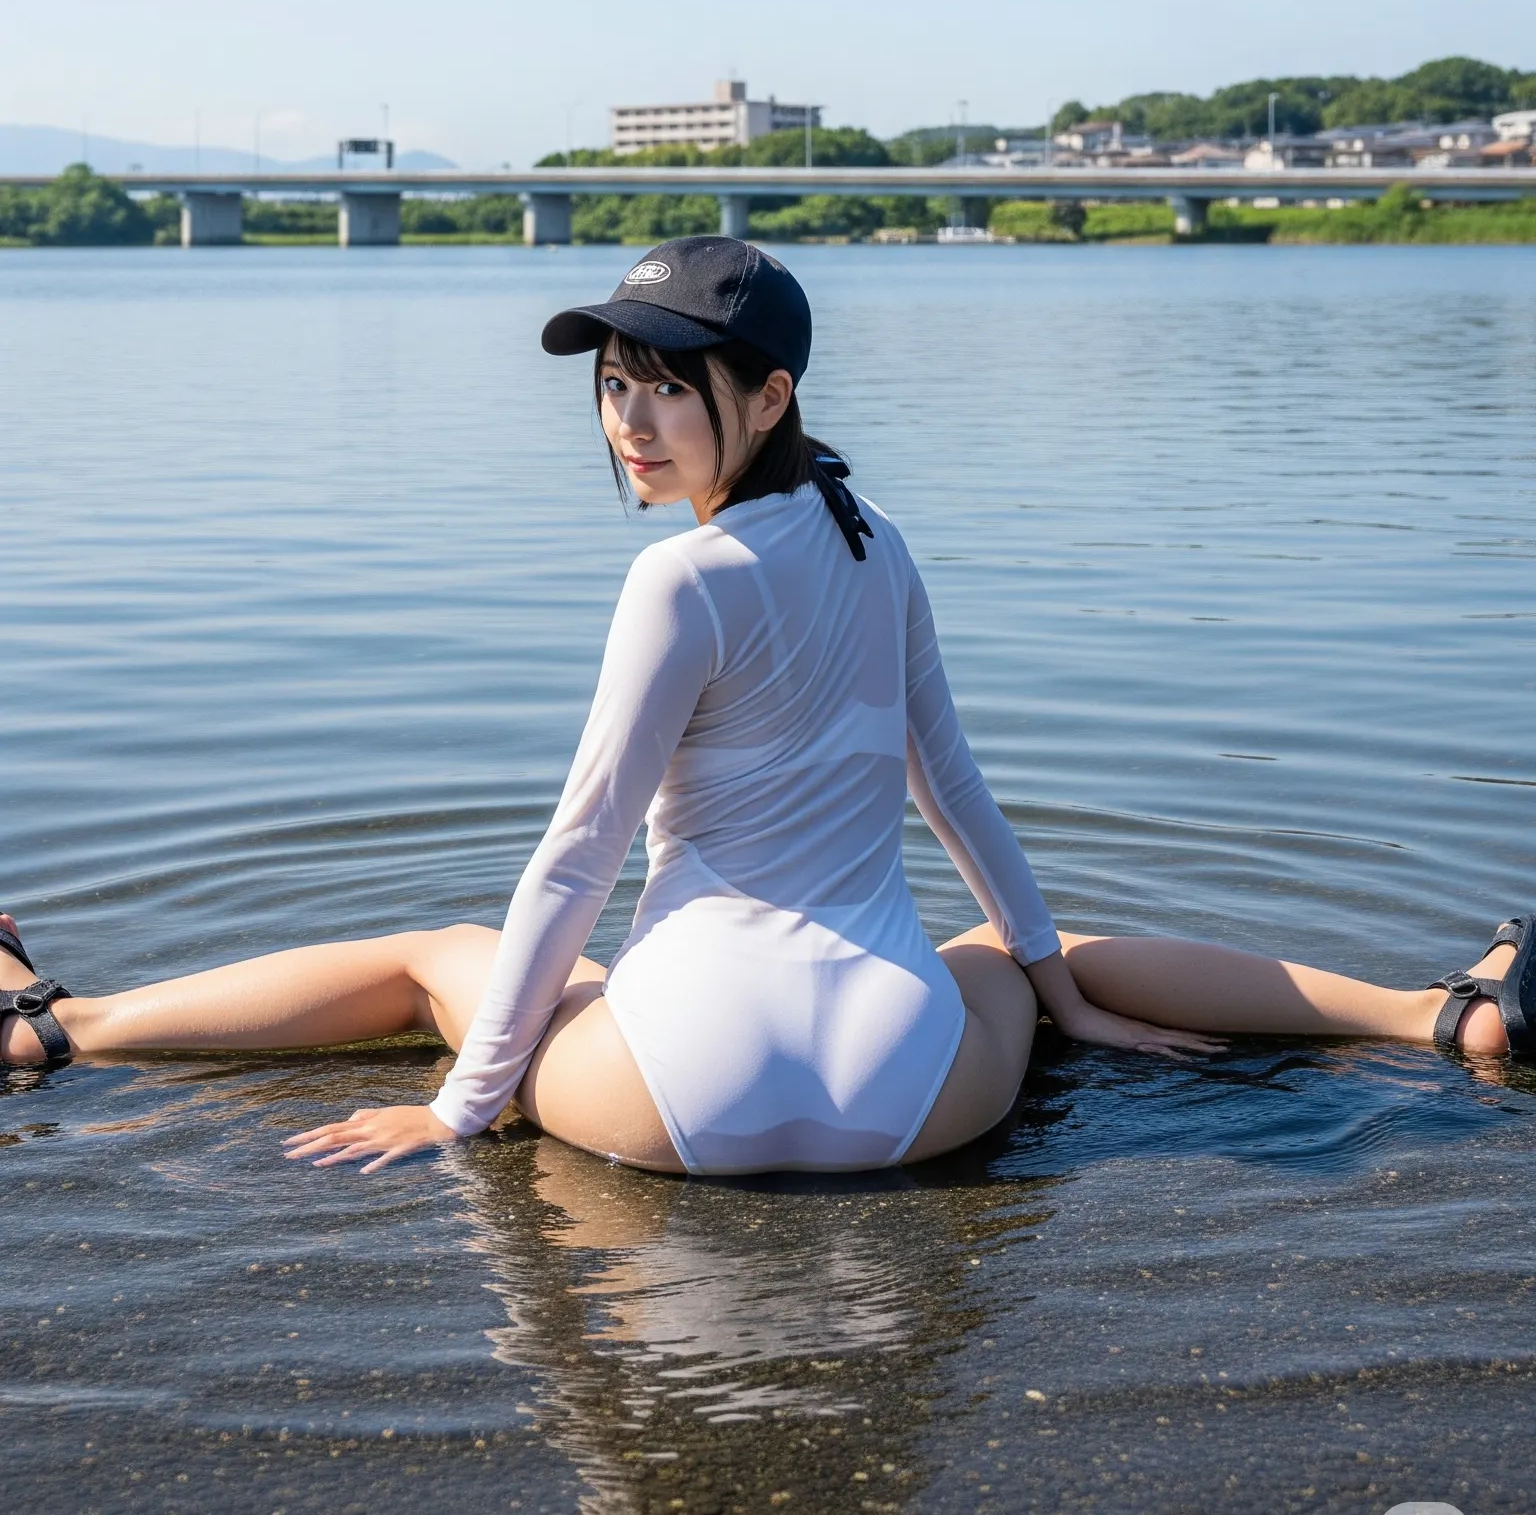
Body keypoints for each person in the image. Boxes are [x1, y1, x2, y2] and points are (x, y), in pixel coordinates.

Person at [4, 237, 1531, 1175]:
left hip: (669, 1097)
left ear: (772, 392)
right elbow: (962, 796)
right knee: (1007, 949)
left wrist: (465, 1115)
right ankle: (1439, 1015)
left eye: (669, 385)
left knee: (441, 954)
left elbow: (576, 854)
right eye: (615, 384)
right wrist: (1058, 995)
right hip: (915, 1097)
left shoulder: (679, 583)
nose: (631, 421)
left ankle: (64, 1030)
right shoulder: (882, 548)